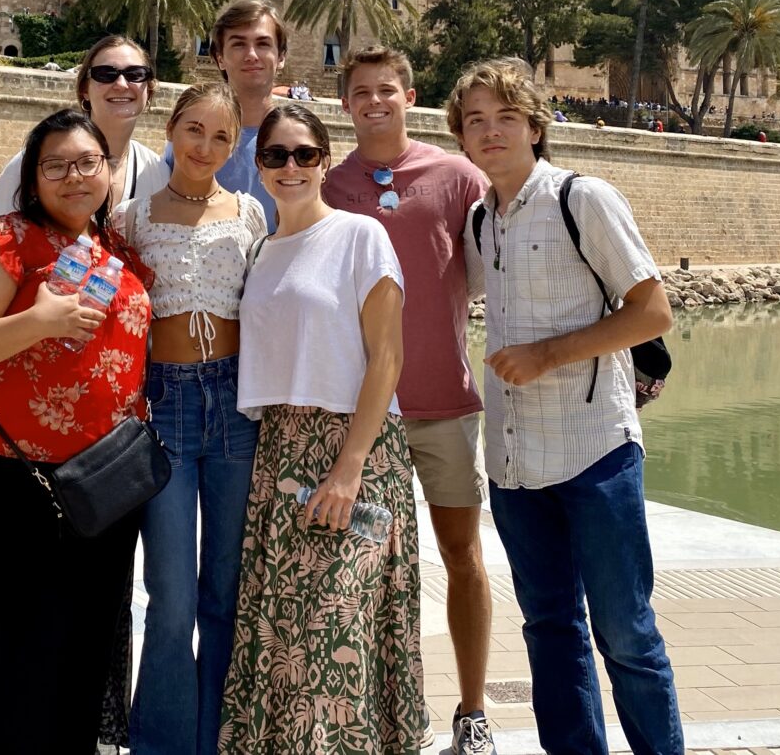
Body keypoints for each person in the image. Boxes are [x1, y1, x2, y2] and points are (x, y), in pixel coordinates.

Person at [450, 58, 683, 755]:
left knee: (625, 630)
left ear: (535, 126)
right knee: (549, 628)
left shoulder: (584, 200)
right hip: (516, 464)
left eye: (506, 118)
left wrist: (548, 355)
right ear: (461, 137)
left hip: (594, 453)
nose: (491, 133)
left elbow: (653, 313)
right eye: (476, 121)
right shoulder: (477, 221)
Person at [0, 109, 155, 754]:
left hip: (108, 477)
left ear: (108, 172)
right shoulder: (5, 240)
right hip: (16, 473)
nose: (73, 177)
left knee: (90, 642)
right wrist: (39, 320)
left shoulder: (116, 246)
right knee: (26, 644)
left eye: (87, 163)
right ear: (33, 178)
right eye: (55, 165)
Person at [219, 102, 426, 753]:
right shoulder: (260, 252)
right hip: (280, 453)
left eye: (305, 154)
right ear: (259, 164)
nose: (290, 166)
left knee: (339, 636)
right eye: (276, 155)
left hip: (355, 452)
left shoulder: (362, 236)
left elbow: (387, 357)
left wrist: (349, 466)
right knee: (286, 644)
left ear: (324, 161)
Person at [326, 47, 494, 755]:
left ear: (409, 96)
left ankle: (474, 710)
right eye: (361, 92)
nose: (374, 102)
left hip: (446, 405)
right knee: (363, 570)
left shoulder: (458, 176)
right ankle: (374, 719)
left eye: (386, 90)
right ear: (347, 106)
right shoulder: (329, 184)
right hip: (364, 416)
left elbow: (494, 273)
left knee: (462, 555)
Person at [112, 84, 267, 755]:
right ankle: (164, 745)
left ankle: (222, 739)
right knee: (170, 599)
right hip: (165, 404)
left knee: (226, 594)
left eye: (221, 138)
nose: (206, 147)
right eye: (194, 130)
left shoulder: (252, 213)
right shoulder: (130, 218)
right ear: (171, 129)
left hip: (236, 407)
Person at [0, 34, 168, 214]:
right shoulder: (38, 161)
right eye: (105, 74)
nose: (121, 84)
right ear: (84, 90)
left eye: (135, 74)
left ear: (149, 91)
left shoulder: (158, 173)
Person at [167, 0, 289, 229]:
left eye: (263, 44)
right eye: (238, 44)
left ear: (280, 57)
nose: (251, 55)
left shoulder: (301, 145)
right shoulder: (189, 143)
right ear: (219, 58)